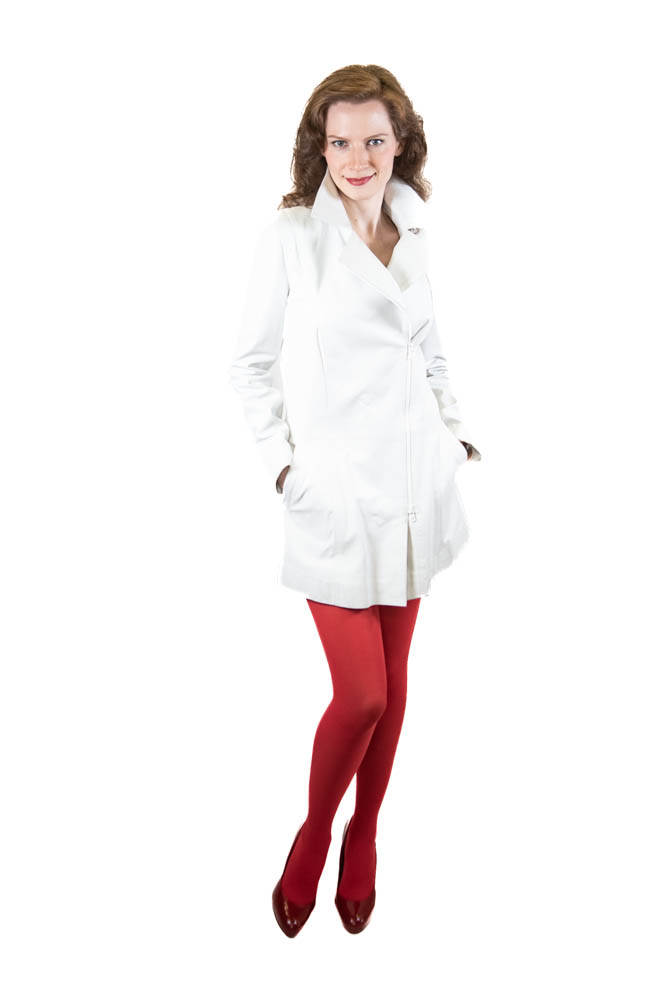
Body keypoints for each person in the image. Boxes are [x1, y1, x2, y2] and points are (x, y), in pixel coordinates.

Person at [229, 64, 481, 937]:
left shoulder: (414, 231)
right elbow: (250, 364)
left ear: (400, 143)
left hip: (415, 489)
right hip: (337, 498)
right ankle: (315, 834)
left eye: (374, 139)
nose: (357, 158)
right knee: (362, 695)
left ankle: (364, 833)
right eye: (340, 142)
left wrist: (456, 435)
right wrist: (284, 470)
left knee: (395, 686)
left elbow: (432, 350)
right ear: (320, 148)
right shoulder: (293, 237)